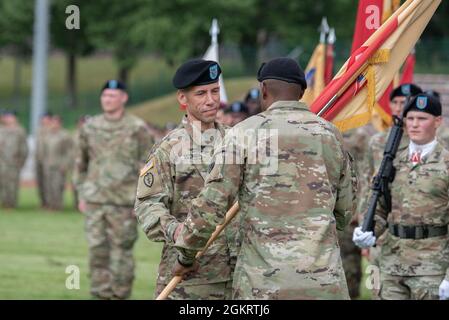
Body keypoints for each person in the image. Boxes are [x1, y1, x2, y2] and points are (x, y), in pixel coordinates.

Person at [172, 57, 357, 299]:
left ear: (263, 90)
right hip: (323, 281)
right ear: (302, 92)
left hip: (263, 283)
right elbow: (345, 212)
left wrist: (186, 255)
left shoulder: (243, 134)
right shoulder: (331, 135)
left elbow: (211, 204)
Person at [135, 59, 237, 300]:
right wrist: (178, 232)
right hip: (191, 275)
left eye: (215, 91)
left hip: (239, 273)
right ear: (183, 99)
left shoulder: (238, 141)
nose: (211, 100)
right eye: (201, 93)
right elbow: (147, 205)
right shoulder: (168, 148)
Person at [353, 93, 449, 300]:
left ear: (438, 122)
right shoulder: (391, 162)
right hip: (392, 262)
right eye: (410, 118)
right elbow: (380, 206)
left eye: (422, 119)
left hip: (432, 265)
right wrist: (369, 231)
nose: (414, 124)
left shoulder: (446, 163)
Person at [73, 79, 154, 299]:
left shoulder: (137, 128)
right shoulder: (90, 127)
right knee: (97, 252)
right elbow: (81, 164)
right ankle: (100, 295)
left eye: (112, 95)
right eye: (104, 96)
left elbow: (148, 167)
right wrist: (82, 193)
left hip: (123, 202)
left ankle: (120, 295)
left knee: (121, 254)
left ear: (123, 98)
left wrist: (141, 200)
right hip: (95, 200)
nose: (107, 100)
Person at [42, 115, 73, 211]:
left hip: (59, 165)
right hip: (49, 165)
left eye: (56, 122)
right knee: (48, 186)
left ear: (60, 123)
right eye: (52, 122)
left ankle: (58, 205)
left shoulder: (65, 135)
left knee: (58, 186)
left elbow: (69, 151)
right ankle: (50, 205)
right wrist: (44, 162)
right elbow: (45, 151)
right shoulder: (47, 135)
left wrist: (65, 164)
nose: (53, 124)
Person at [0, 110, 28, 208]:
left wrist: (21, 162)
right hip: (2, 162)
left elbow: (24, 148)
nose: (7, 119)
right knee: (3, 183)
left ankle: (11, 203)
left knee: (12, 183)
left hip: (13, 162)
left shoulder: (20, 131)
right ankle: (4, 202)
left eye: (10, 117)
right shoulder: (1, 129)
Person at [35, 112, 53, 208]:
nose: (43, 120)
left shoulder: (52, 130)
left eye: (45, 118)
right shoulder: (39, 130)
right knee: (40, 182)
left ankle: (50, 202)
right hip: (39, 160)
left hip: (49, 161)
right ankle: (43, 202)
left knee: (48, 183)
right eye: (42, 118)